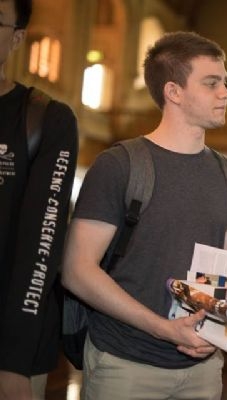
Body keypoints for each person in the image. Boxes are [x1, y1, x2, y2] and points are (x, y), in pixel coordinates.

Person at [61, 32, 227, 400]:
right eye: (212, 83)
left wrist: (214, 334)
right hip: (125, 365)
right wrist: (163, 328)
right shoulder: (120, 165)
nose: (226, 93)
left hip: (203, 369)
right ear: (174, 92)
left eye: (225, 82)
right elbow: (77, 270)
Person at [0, 0, 79, 398]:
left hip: (9, 347)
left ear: (16, 38)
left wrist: (13, 361)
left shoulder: (47, 119)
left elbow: (41, 246)